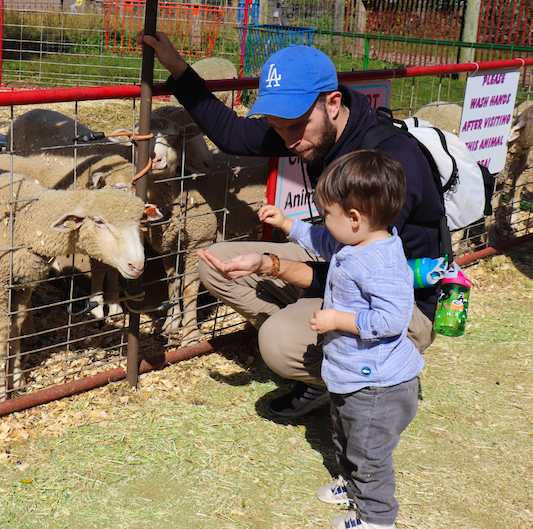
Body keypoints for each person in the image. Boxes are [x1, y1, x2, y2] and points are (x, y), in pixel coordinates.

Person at [137, 30, 443, 416]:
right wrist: (178, 68)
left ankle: (354, 377)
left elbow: (359, 273)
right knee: (213, 263)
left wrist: (273, 266)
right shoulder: (303, 129)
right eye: (278, 128)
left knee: (278, 341)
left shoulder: (388, 162)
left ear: (333, 103)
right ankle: (320, 353)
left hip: (395, 298)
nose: (288, 140)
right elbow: (234, 134)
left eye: (295, 126)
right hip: (337, 252)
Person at [260, 149, 424, 529]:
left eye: (328, 214)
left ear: (354, 218)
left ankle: (376, 518)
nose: (323, 222)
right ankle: (351, 486)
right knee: (345, 433)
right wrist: (287, 223)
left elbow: (392, 319)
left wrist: (338, 318)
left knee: (368, 454)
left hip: (379, 385)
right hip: (354, 373)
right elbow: (321, 239)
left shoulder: (379, 262)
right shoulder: (357, 241)